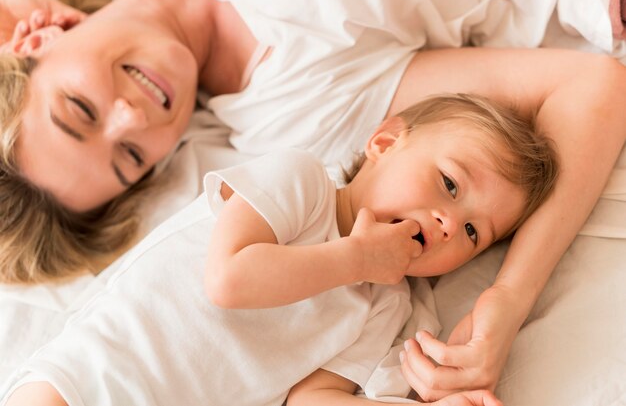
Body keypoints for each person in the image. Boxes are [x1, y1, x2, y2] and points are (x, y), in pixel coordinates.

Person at [0, 0, 624, 399]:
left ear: (35, 40)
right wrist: (507, 301)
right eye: (132, 159)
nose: (132, 120)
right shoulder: (302, 121)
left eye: (78, 109)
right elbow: (592, 86)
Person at [1, 93, 557, 406]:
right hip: (92, 379)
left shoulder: (386, 306)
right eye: (449, 185)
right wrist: (357, 258)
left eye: (472, 234)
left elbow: (311, 403)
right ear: (385, 143)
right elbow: (229, 280)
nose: (446, 221)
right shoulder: (302, 184)